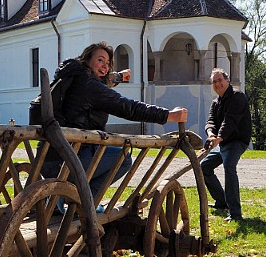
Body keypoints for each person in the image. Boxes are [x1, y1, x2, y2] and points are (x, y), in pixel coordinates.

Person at [42, 41, 188, 200]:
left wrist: (119, 76)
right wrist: (168, 115)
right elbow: (127, 107)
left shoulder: (72, 77)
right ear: (86, 59)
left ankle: (67, 199)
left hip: (49, 158)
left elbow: (105, 80)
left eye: (108, 63)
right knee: (123, 159)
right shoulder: (90, 85)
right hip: (71, 161)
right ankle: (85, 203)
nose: (105, 66)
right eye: (100, 60)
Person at [200, 68, 252, 222]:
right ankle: (221, 202)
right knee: (205, 167)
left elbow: (230, 121)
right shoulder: (216, 102)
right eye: (214, 82)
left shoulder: (238, 97)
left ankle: (235, 214)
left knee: (229, 167)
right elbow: (210, 121)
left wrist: (219, 137)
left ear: (227, 81)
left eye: (220, 80)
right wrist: (210, 134)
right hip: (223, 142)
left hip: (237, 141)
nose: (217, 84)